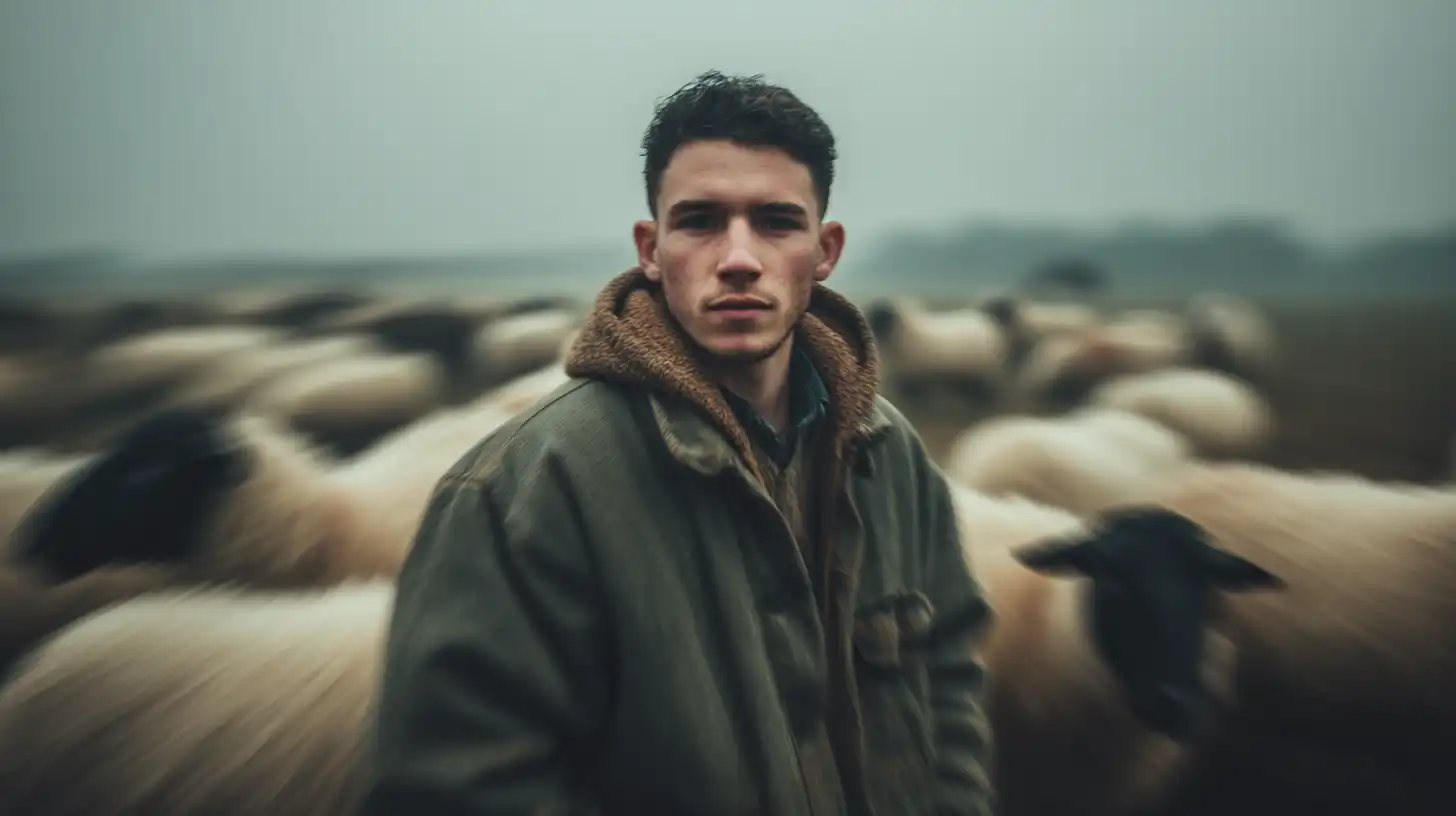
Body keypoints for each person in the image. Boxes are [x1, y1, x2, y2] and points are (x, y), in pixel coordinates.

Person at [360, 70, 996, 816]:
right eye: (699, 221)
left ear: (825, 251)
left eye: (775, 222)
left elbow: (948, 685)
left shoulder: (892, 459)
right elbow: (459, 788)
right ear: (650, 248)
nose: (738, 258)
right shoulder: (523, 492)